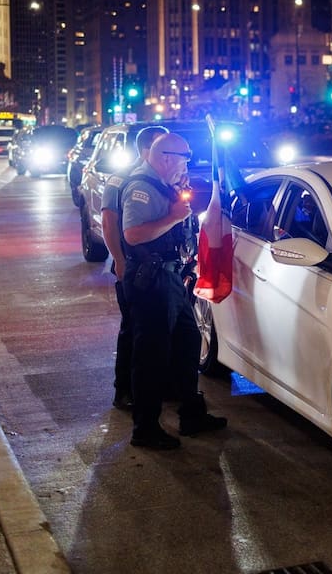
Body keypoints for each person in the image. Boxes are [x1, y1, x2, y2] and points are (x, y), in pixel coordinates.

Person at [121, 131, 225, 449]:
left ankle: (191, 413)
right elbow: (133, 234)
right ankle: (146, 428)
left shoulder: (163, 183)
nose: (186, 165)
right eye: (184, 158)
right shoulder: (141, 186)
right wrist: (172, 217)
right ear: (165, 157)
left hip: (170, 278)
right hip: (151, 282)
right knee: (151, 356)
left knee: (187, 342)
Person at [100, 125, 167, 411]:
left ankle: (157, 387)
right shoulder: (122, 179)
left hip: (158, 268)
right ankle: (123, 390)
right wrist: (119, 259)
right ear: (145, 150)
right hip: (132, 265)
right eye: (160, 146)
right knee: (133, 329)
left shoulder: (163, 177)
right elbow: (108, 223)